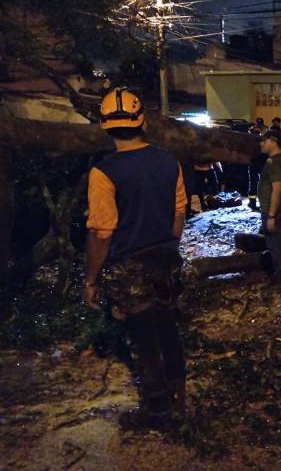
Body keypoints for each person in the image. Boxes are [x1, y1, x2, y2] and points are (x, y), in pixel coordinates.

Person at [83, 87, 188, 431]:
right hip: (165, 257)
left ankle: (158, 412)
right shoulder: (168, 159)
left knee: (144, 341)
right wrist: (170, 249)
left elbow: (101, 232)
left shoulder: (104, 172)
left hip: (130, 265)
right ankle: (178, 396)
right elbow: (178, 214)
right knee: (168, 326)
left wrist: (91, 280)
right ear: (141, 120)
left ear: (104, 126)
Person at [258, 129, 281, 282]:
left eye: (264, 141)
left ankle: (279, 274)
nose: (261, 144)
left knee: (274, 241)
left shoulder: (274, 162)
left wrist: (271, 215)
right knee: (277, 239)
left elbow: (276, 190)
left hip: (272, 209)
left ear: (273, 142)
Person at [247, 118, 268, 211]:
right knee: (256, 183)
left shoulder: (264, 132)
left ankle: (255, 203)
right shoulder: (257, 133)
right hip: (257, 162)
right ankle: (253, 203)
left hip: (258, 162)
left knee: (257, 183)